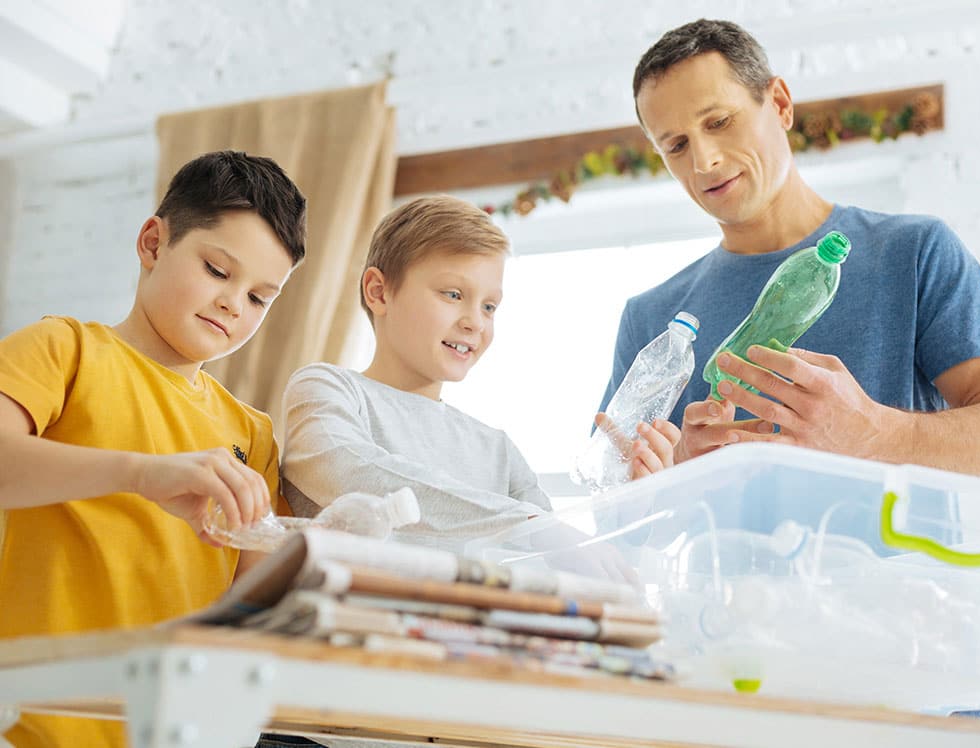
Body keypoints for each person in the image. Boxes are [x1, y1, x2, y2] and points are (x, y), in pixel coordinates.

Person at [600, 18, 980, 485]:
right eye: (676, 145)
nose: (703, 160)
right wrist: (675, 477)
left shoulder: (914, 254)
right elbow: (611, 515)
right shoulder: (652, 322)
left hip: (899, 561)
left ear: (780, 104)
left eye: (719, 122)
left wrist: (873, 434)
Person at [0, 150, 307, 748]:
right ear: (152, 243)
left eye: (259, 298)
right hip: (36, 727)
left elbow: (260, 605)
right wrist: (142, 474)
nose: (232, 304)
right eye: (218, 271)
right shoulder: (64, 349)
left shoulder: (253, 433)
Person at [281, 195, 677, 555]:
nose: (475, 322)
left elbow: (553, 562)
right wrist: (522, 523)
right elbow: (348, 473)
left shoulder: (500, 452)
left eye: (490, 307)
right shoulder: (326, 389)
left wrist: (631, 509)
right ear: (379, 292)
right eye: (453, 294)